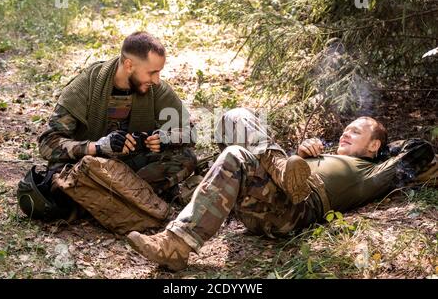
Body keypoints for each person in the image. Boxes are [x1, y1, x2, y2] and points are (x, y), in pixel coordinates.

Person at [126, 108, 435, 271]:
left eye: (356, 131)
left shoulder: (374, 171)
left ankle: (176, 245)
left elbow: (421, 150)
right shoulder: (324, 154)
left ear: (376, 145)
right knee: (233, 117)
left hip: (296, 210)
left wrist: (385, 153)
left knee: (236, 155)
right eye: (345, 129)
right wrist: (300, 155)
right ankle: (281, 165)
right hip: (277, 194)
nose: (346, 133)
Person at [38, 31, 197, 219]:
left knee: (185, 157)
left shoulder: (156, 89)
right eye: (152, 72)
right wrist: (97, 147)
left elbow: (191, 133)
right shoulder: (87, 84)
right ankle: (130, 199)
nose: (156, 80)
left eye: (159, 72)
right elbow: (48, 143)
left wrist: (165, 138)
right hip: (88, 166)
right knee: (58, 174)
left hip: (129, 167)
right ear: (129, 65)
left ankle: (101, 202)